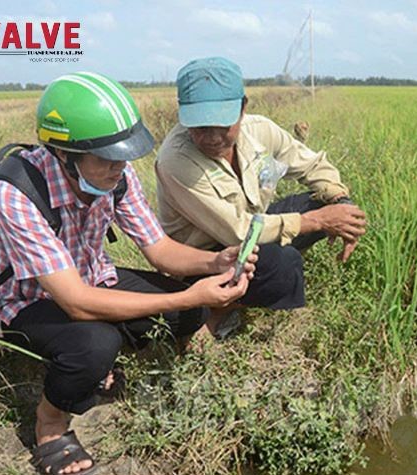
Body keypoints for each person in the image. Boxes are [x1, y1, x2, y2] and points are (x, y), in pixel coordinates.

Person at [0, 71, 256, 475]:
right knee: (94, 343)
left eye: (123, 156)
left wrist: (216, 263)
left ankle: (98, 370)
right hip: (24, 302)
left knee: (187, 315)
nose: (119, 167)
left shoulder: (116, 177)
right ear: (65, 155)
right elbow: (74, 301)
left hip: (90, 279)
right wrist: (190, 294)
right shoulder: (17, 193)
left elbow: (161, 252)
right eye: (107, 158)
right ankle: (50, 425)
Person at [155, 57, 367, 336]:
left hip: (253, 228)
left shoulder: (260, 131)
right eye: (201, 127)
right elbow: (237, 230)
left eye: (223, 124)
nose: (213, 137)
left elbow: (312, 165)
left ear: (242, 108)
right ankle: (216, 313)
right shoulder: (176, 160)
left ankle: (253, 283)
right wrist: (318, 222)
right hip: (207, 256)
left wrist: (342, 206)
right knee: (283, 262)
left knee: (321, 203)